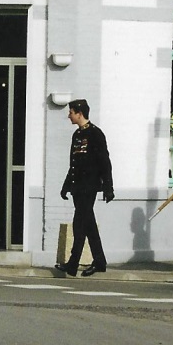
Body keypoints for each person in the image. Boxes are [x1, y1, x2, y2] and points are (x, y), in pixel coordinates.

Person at [55, 99, 115, 277]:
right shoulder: (77, 135)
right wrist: (66, 185)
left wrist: (108, 187)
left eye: (71, 112)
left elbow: (105, 162)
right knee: (86, 225)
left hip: (89, 187)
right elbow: (74, 164)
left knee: (80, 224)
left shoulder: (96, 134)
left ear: (79, 113)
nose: (69, 116)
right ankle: (97, 262)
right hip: (78, 187)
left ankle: (76, 263)